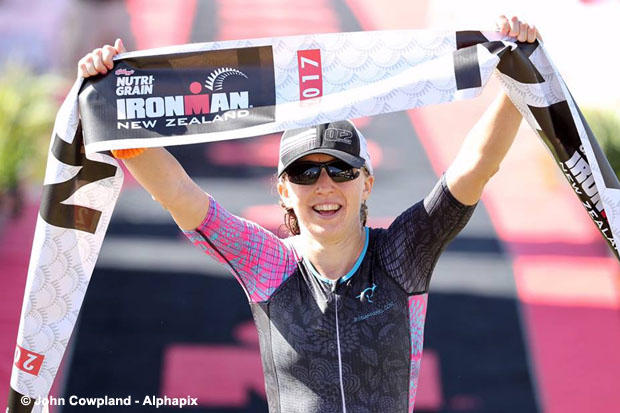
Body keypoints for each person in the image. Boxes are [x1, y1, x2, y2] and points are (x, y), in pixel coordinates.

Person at [78, 15, 538, 413]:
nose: (324, 186)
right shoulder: (270, 264)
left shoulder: (402, 254)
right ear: (283, 191)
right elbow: (179, 194)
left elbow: (475, 166)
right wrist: (113, 113)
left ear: (366, 183)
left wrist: (519, 73)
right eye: (305, 173)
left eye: (340, 170)